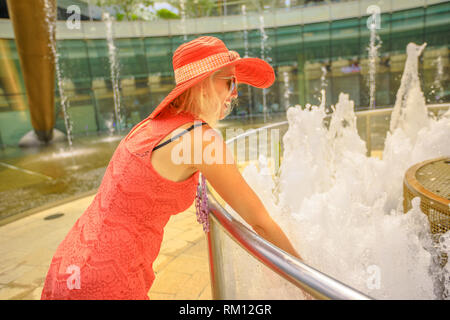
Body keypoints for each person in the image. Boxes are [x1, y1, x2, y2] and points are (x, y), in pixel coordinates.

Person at [41, 36, 301, 300]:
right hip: (106, 278)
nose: (235, 93)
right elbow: (260, 222)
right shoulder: (201, 140)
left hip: (71, 261)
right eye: (230, 82)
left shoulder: (149, 126)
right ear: (206, 83)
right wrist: (306, 280)